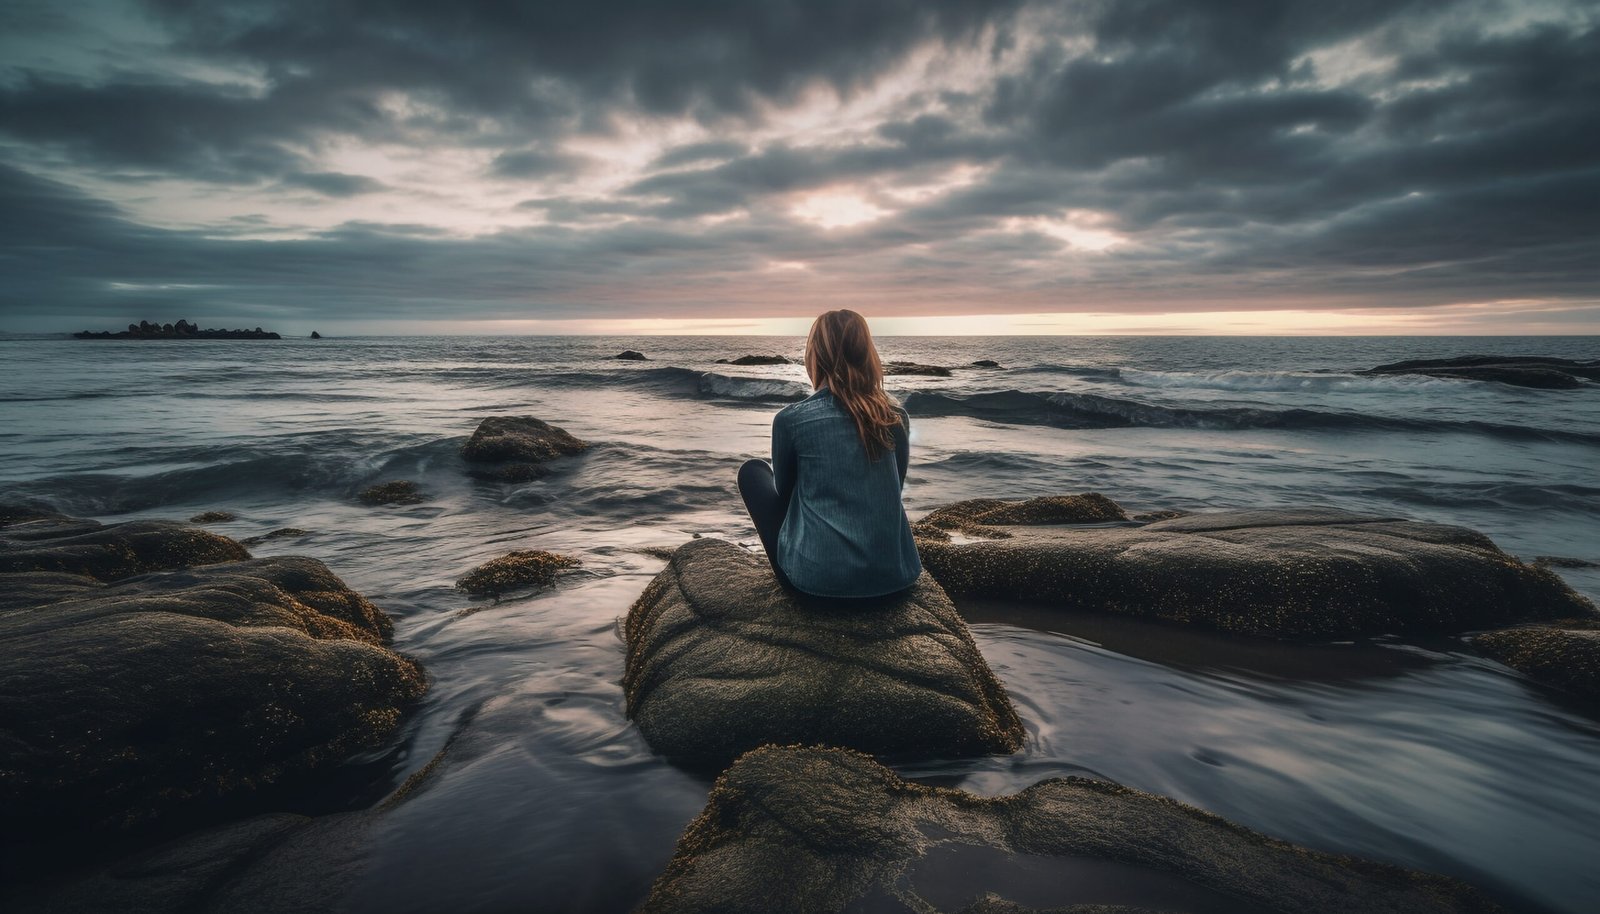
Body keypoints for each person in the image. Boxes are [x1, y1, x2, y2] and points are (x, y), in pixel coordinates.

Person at [737, 309, 922, 598]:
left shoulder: (791, 420)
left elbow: (784, 497)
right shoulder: (895, 417)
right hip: (896, 580)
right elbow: (892, 491)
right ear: (867, 354)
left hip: (820, 587)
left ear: (815, 356)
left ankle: (812, 561)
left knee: (752, 472)